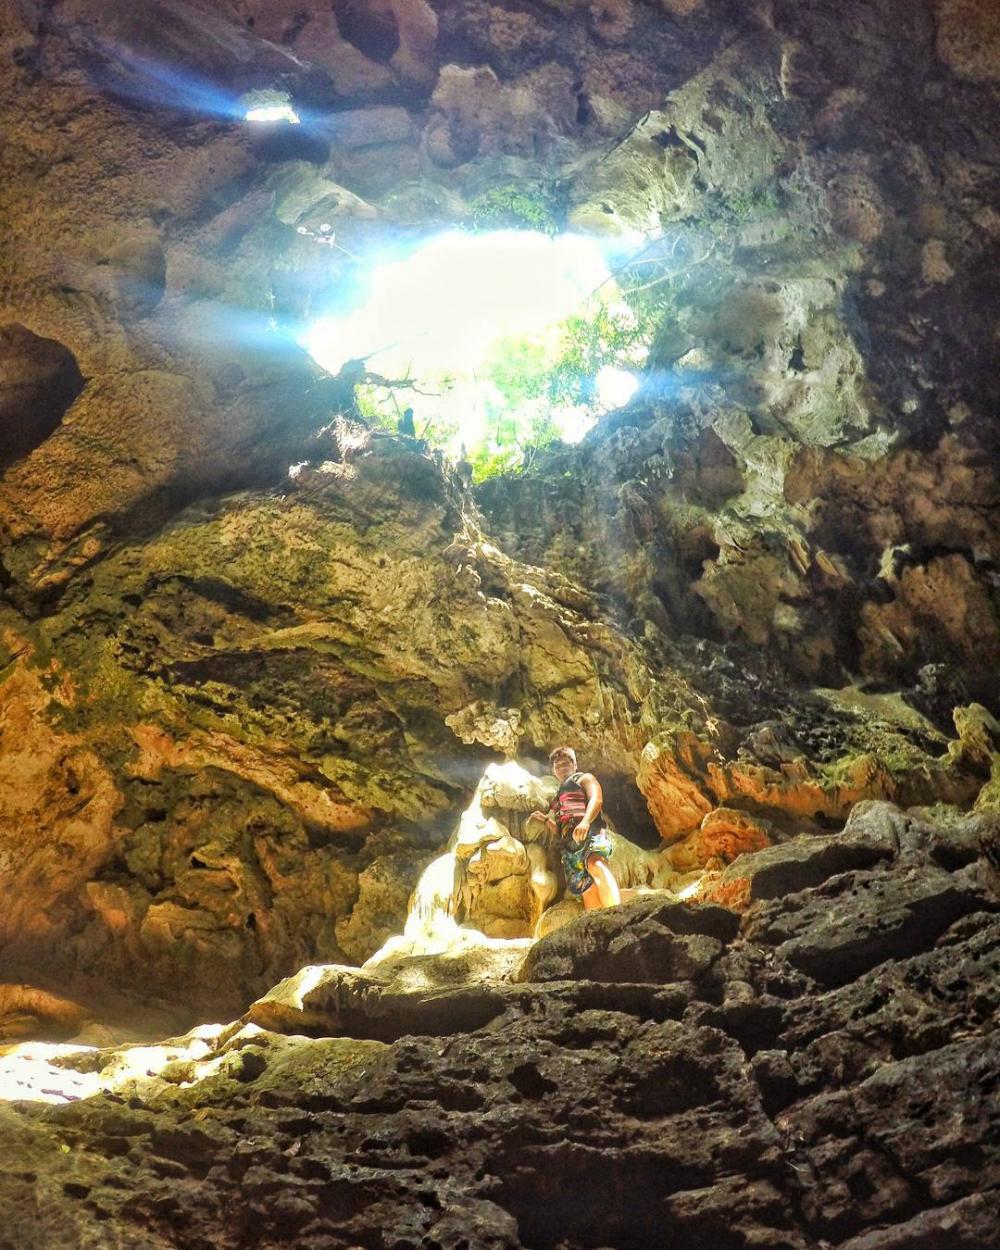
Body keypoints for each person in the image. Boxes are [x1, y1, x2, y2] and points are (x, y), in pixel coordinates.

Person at [531, 746, 620, 910]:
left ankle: (618, 909)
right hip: (570, 848)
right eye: (557, 765)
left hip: (590, 834)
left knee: (596, 865)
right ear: (553, 771)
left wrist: (586, 821)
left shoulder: (583, 779)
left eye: (566, 763)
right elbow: (561, 830)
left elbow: (597, 799)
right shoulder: (557, 799)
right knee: (585, 887)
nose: (561, 767)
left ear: (575, 765)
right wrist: (545, 821)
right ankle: (602, 924)